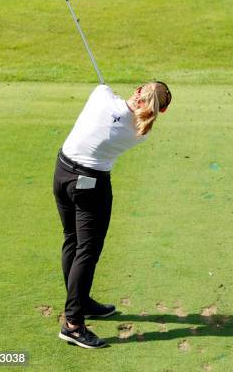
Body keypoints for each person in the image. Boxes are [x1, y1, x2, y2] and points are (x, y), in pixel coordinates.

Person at [52, 81, 172, 348]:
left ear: (138, 90)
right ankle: (73, 324)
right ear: (160, 111)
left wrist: (115, 94)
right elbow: (127, 113)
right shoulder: (140, 133)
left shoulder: (101, 96)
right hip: (90, 185)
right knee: (87, 250)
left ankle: (80, 301)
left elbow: (105, 92)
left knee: (72, 239)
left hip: (61, 173)